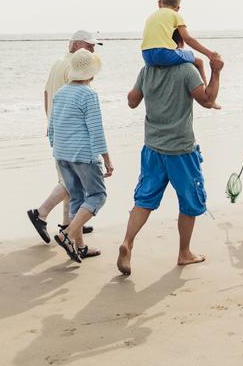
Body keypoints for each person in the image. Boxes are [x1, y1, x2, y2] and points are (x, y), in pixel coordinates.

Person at [116, 54, 225, 276]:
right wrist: (216, 72)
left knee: (144, 199)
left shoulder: (147, 70)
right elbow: (207, 100)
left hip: (152, 148)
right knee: (189, 202)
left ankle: (128, 242)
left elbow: (131, 101)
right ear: (179, 44)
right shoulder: (186, 70)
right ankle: (184, 253)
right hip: (181, 151)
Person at [26, 30, 100, 243]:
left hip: (57, 129)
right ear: (76, 45)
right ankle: (41, 213)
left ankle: (70, 223)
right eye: (89, 46)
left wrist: (51, 122)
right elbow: (78, 102)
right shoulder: (75, 67)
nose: (93, 50)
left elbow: (47, 94)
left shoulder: (58, 63)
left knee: (68, 180)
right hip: (71, 132)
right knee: (72, 180)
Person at [49, 49, 113, 262]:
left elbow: (52, 127)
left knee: (77, 197)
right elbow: (96, 129)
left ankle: (80, 246)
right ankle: (66, 235)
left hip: (62, 153)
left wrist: (57, 149)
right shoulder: (89, 95)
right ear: (92, 74)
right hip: (83, 155)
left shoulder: (61, 93)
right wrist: (106, 159)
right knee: (97, 196)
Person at [141, 0, 219, 103]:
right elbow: (187, 39)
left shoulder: (150, 17)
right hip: (163, 53)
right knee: (199, 62)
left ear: (159, 3)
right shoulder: (176, 15)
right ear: (177, 8)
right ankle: (207, 98)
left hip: (146, 56)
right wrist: (209, 53)